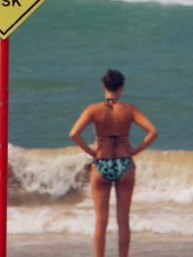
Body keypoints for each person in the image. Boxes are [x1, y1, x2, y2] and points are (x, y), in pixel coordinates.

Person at [69, 70, 158, 257]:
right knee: (123, 221)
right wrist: (135, 150)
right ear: (121, 88)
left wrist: (91, 151)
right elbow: (152, 132)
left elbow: (73, 134)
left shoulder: (93, 110)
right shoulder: (129, 110)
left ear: (104, 87)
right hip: (125, 163)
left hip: (101, 163)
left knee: (101, 221)